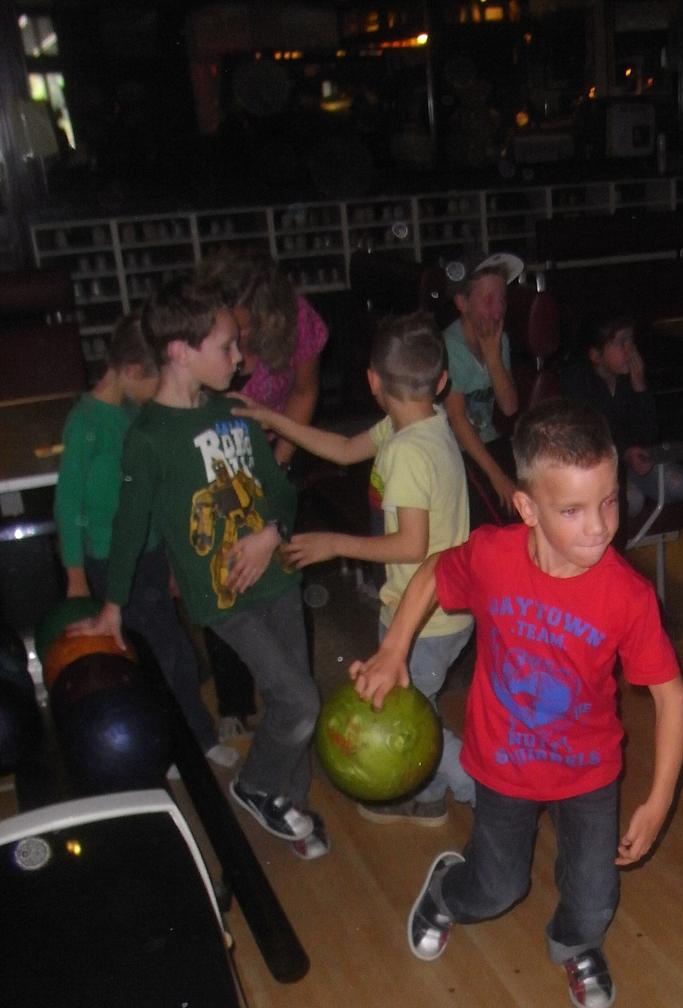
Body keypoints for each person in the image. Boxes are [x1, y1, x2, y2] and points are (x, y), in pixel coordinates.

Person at [349, 398, 683, 1008]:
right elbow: (432, 572)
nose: (599, 527)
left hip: (588, 771)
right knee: (496, 888)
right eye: (573, 510)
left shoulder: (628, 596)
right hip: (504, 764)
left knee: (595, 894)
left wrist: (660, 797)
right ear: (528, 508)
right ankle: (446, 893)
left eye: (609, 501)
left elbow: (671, 696)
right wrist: (394, 647)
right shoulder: (493, 557)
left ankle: (576, 944)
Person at [70, 276, 327, 858]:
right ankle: (256, 785)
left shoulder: (236, 411)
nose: (241, 359)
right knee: (299, 700)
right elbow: (129, 525)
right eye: (228, 346)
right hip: (224, 598)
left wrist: (271, 532)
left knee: (294, 696)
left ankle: (290, 805)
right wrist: (111, 605)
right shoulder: (149, 438)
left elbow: (279, 492)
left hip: (278, 574)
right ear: (180, 351)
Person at [236, 311, 474, 825]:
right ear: (440, 382)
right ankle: (429, 796)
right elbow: (344, 450)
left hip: (428, 617)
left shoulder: (410, 451)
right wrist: (273, 418)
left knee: (415, 719)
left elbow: (412, 545)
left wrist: (333, 543)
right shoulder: (420, 421)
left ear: (372, 382)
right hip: (436, 608)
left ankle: (487, 789)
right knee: (416, 708)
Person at [53, 313, 236, 767]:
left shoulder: (135, 415)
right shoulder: (86, 424)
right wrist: (75, 576)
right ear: (133, 370)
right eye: (158, 378)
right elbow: (68, 506)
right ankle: (176, 743)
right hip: (108, 562)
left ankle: (192, 736)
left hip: (150, 554)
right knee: (158, 657)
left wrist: (172, 560)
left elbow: (155, 496)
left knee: (174, 652)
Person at [194, 250, 330, 737]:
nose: (241, 341)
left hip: (277, 448)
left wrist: (279, 462)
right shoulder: (196, 325)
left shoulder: (298, 320)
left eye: (248, 326)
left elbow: (305, 390)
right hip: (215, 462)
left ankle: (295, 694)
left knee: (283, 570)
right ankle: (234, 701)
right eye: (232, 331)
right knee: (226, 576)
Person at [562, 312, 683, 525]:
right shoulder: (578, 383)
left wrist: (639, 386)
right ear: (596, 355)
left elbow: (649, 433)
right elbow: (590, 438)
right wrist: (625, 452)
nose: (631, 350)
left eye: (631, 341)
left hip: (632, 462)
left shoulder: (627, 380)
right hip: (597, 467)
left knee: (680, 484)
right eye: (622, 343)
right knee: (630, 500)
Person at [441, 249, 522, 526]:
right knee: (491, 515)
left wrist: (493, 357)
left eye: (502, 300)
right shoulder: (450, 348)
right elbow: (457, 420)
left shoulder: (500, 340)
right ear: (462, 303)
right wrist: (497, 476)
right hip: (452, 449)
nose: (498, 311)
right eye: (488, 301)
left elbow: (509, 406)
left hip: (488, 441)